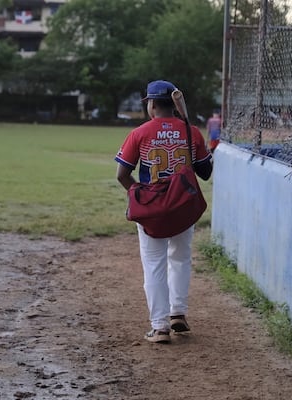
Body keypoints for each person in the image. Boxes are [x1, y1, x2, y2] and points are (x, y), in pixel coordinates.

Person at [115, 80, 213, 343]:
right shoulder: (191, 131)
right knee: (180, 258)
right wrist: (189, 131)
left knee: (154, 265)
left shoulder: (140, 132)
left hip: (153, 207)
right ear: (174, 104)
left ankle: (160, 327)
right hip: (183, 204)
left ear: (153, 104)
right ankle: (178, 313)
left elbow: (122, 174)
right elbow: (205, 173)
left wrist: (139, 194)